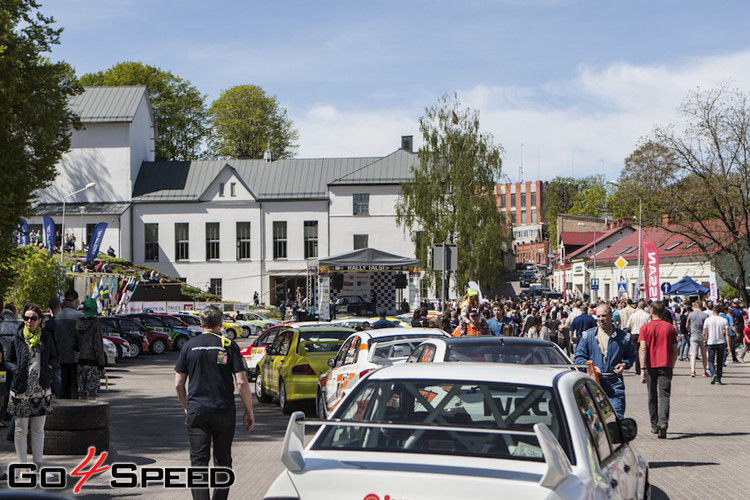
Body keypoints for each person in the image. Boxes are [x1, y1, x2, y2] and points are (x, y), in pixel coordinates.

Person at [174, 305, 255, 500]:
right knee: (223, 460)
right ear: (220, 323)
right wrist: (249, 411)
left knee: (199, 463)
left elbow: (178, 384)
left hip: (197, 411)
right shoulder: (228, 345)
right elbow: (242, 382)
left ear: (201, 323)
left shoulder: (188, 346)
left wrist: (187, 407)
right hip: (223, 411)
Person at [6, 304, 56, 473]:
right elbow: (8, 359)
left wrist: (49, 367)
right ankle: (22, 466)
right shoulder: (17, 337)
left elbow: (55, 357)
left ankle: (37, 464)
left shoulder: (47, 337)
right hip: (21, 389)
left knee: (38, 429)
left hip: (41, 389)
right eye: (26, 318)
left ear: (40, 320)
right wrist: (15, 369)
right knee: (20, 429)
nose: (29, 321)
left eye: (33, 318)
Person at [575, 303, 636, 418]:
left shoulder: (622, 337)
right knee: (595, 418)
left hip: (615, 384)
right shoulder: (589, 336)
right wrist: (590, 367)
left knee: (617, 418)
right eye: (598, 316)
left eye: (603, 316)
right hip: (594, 384)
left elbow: (631, 356)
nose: (601, 319)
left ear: (611, 315)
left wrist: (624, 364)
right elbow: (579, 358)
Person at [638, 301, 679, 439]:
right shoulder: (669, 328)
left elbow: (643, 348)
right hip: (665, 365)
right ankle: (663, 423)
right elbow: (675, 349)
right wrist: (672, 364)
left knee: (652, 396)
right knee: (664, 396)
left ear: (651, 311)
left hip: (650, 365)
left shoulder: (645, 328)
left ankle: (654, 425)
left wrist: (642, 368)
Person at [73, 299, 106, 400]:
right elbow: (98, 346)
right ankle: (91, 415)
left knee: (81, 392)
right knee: (92, 393)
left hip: (80, 363)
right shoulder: (96, 324)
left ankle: (82, 414)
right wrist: (102, 366)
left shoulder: (78, 323)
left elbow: (74, 345)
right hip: (93, 363)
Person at [55, 290, 83, 398]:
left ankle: (63, 410)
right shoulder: (79, 316)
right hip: (76, 357)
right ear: (76, 301)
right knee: (75, 386)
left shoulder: (57, 317)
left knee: (64, 386)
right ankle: (74, 411)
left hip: (61, 356)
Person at [703, 303, 731, 385]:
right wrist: (728, 345)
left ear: (713, 311)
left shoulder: (708, 320)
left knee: (711, 360)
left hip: (711, 342)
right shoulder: (724, 320)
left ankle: (713, 373)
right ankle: (718, 378)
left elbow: (704, 332)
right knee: (719, 361)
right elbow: (727, 333)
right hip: (721, 342)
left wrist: (705, 341)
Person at [625, 300, 651, 374]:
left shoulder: (633, 315)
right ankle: (644, 367)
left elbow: (628, 326)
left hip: (634, 334)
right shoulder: (647, 315)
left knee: (636, 352)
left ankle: (637, 369)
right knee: (644, 350)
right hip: (644, 335)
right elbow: (650, 326)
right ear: (645, 306)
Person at [687, 301, 710, 378]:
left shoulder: (691, 314)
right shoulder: (705, 315)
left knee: (693, 354)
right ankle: (704, 371)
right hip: (703, 336)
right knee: (704, 355)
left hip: (693, 336)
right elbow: (707, 327)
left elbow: (687, 325)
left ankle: (693, 370)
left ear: (695, 305)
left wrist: (689, 330)